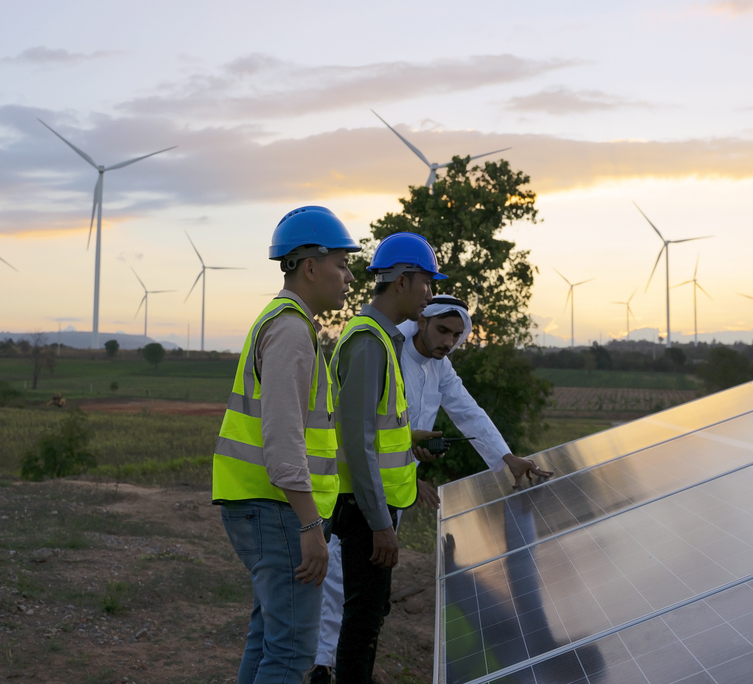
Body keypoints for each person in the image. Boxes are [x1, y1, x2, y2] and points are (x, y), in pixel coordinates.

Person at [310, 295, 552, 683]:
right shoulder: (387, 351)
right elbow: (365, 429)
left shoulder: (441, 368)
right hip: (359, 486)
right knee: (341, 577)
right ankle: (323, 666)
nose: (448, 342)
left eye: (456, 335)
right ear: (421, 320)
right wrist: (408, 470)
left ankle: (349, 666)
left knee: (369, 587)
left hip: (397, 488)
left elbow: (468, 412)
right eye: (442, 331)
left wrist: (507, 459)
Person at [212, 205, 360, 684]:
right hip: (278, 509)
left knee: (269, 638)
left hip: (261, 505)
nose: (348, 275)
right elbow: (282, 439)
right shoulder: (292, 330)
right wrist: (310, 524)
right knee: (294, 653)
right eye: (341, 263)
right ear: (310, 266)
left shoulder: (281, 322)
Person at [330, 232, 443, 684]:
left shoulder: (382, 339)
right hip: (364, 512)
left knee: (369, 613)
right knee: (363, 617)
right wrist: (381, 525)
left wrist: (406, 436)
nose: (430, 296)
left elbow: (374, 428)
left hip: (371, 508)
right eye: (427, 284)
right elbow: (356, 442)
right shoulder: (370, 342)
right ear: (402, 281)